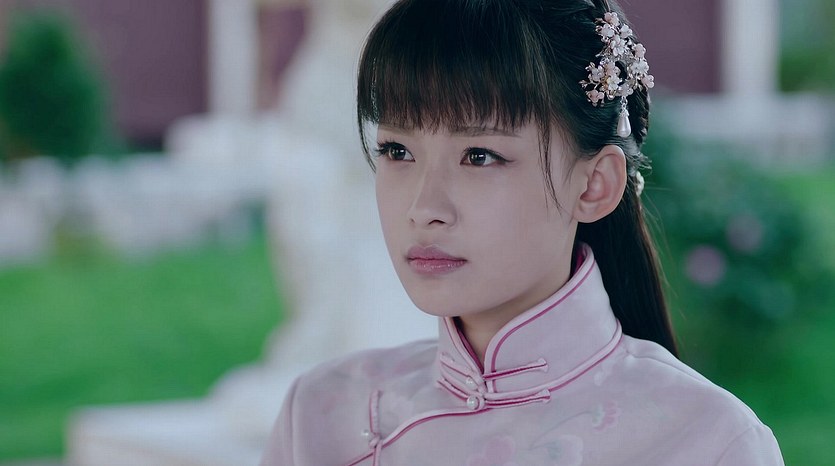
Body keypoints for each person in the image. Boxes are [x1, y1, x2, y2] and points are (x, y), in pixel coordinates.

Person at [260, 0, 785, 464]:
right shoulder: (321, 417)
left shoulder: (708, 442)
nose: (424, 208)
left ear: (595, 185)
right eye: (397, 151)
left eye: (479, 156)